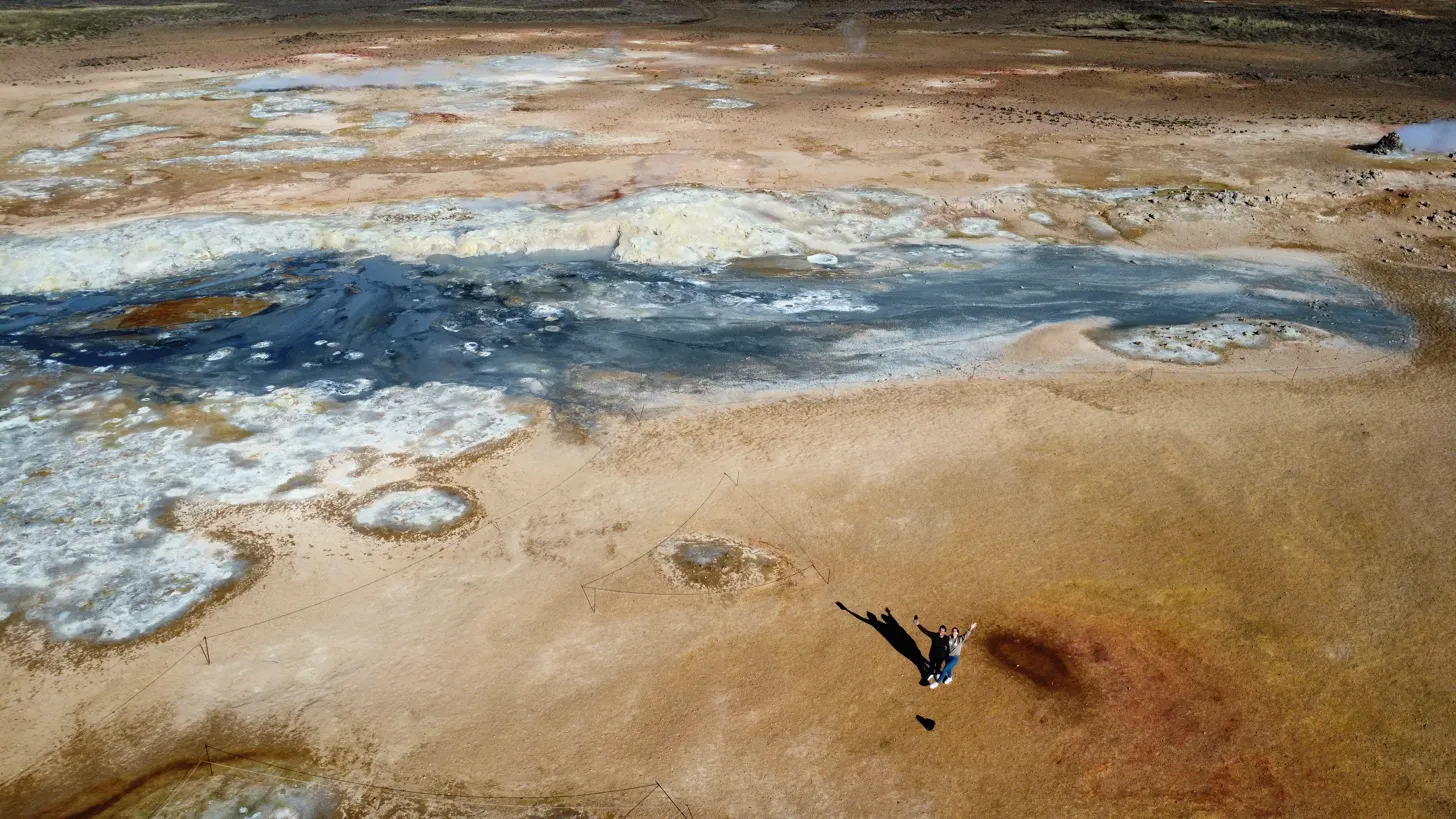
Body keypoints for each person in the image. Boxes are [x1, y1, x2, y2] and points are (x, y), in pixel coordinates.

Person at [934, 622, 976, 687]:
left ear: (957, 632)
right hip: (947, 657)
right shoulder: (948, 638)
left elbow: (966, 634)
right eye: (953, 631)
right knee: (949, 668)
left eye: (955, 631)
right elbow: (943, 643)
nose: (954, 632)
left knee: (945, 669)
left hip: (954, 658)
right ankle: (950, 677)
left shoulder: (960, 639)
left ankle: (937, 682)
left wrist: (971, 628)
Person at [913, 615, 949, 686]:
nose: (941, 632)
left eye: (942, 631)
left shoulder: (947, 638)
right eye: (940, 630)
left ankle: (937, 674)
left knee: (938, 667)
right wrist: (918, 624)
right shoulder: (934, 635)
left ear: (945, 632)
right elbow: (925, 631)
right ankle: (927, 677)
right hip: (932, 655)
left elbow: (949, 647)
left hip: (941, 657)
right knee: (932, 668)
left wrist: (947, 656)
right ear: (939, 630)